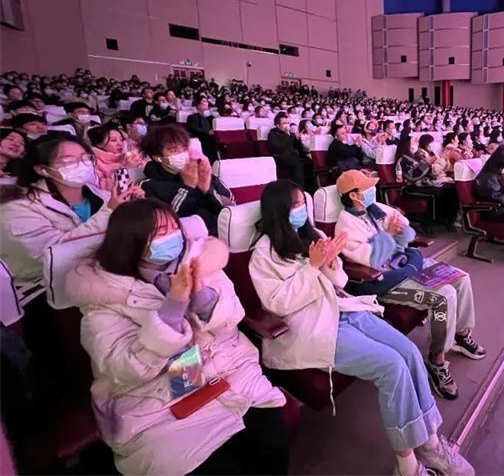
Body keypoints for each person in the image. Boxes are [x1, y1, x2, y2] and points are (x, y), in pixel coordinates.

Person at [249, 180, 473, 476]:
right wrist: (312, 267)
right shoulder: (264, 254)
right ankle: (406, 465)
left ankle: (430, 444)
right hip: (310, 325)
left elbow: (341, 282)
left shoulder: (314, 235)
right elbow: (278, 303)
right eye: (295, 205)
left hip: (343, 308)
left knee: (408, 352)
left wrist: (331, 263)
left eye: (303, 203)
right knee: (391, 366)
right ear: (278, 211)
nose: (302, 209)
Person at [65, 199, 289, 475]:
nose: (172, 236)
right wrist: (173, 306)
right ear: (131, 243)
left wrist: (201, 296)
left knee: (272, 443)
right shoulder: (103, 298)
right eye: (159, 232)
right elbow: (123, 368)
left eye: (174, 227)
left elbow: (232, 318)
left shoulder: (198, 262)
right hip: (157, 399)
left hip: (228, 369)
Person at [335, 170, 484, 401]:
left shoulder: (377, 208)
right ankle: (436, 360)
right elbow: (371, 260)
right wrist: (388, 235)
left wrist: (401, 232)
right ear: (354, 195)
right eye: (366, 188)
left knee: (461, 278)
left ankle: (461, 333)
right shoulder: (345, 227)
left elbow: (409, 233)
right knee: (443, 296)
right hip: (385, 279)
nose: (372, 191)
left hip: (405, 263)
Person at [0, 135, 142, 282]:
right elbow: (51, 256)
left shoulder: (97, 194)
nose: (82, 165)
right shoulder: (17, 207)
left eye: (86, 158)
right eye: (68, 161)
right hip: (47, 285)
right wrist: (110, 212)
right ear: (43, 169)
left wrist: (134, 208)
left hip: (104, 272)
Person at [139, 124, 233, 236]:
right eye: (174, 150)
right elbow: (167, 224)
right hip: (186, 239)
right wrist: (187, 188)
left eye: (184, 149)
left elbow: (230, 208)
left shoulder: (202, 173)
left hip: (221, 234)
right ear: (157, 157)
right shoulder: (149, 186)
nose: (181, 154)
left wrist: (208, 190)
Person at [396, 136, 458, 229]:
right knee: (440, 192)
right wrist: (439, 159)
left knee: (451, 189)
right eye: (414, 142)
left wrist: (443, 159)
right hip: (411, 187)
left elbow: (430, 170)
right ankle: (432, 220)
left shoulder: (416, 156)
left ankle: (447, 219)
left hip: (423, 183)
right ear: (406, 145)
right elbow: (416, 175)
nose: (416, 144)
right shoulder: (404, 159)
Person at [88, 124, 147, 192]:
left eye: (121, 139)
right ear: (99, 144)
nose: (120, 143)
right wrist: (125, 169)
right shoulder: (94, 162)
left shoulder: (126, 155)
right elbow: (106, 187)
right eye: (113, 140)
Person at [268, 112, 312, 189]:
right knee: (297, 164)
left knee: (309, 161)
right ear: (277, 125)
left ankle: (310, 188)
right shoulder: (273, 134)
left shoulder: (291, 134)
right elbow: (279, 147)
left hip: (293, 156)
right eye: (284, 123)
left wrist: (297, 139)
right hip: (281, 158)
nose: (287, 125)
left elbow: (299, 148)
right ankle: (299, 189)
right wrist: (287, 136)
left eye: (288, 123)